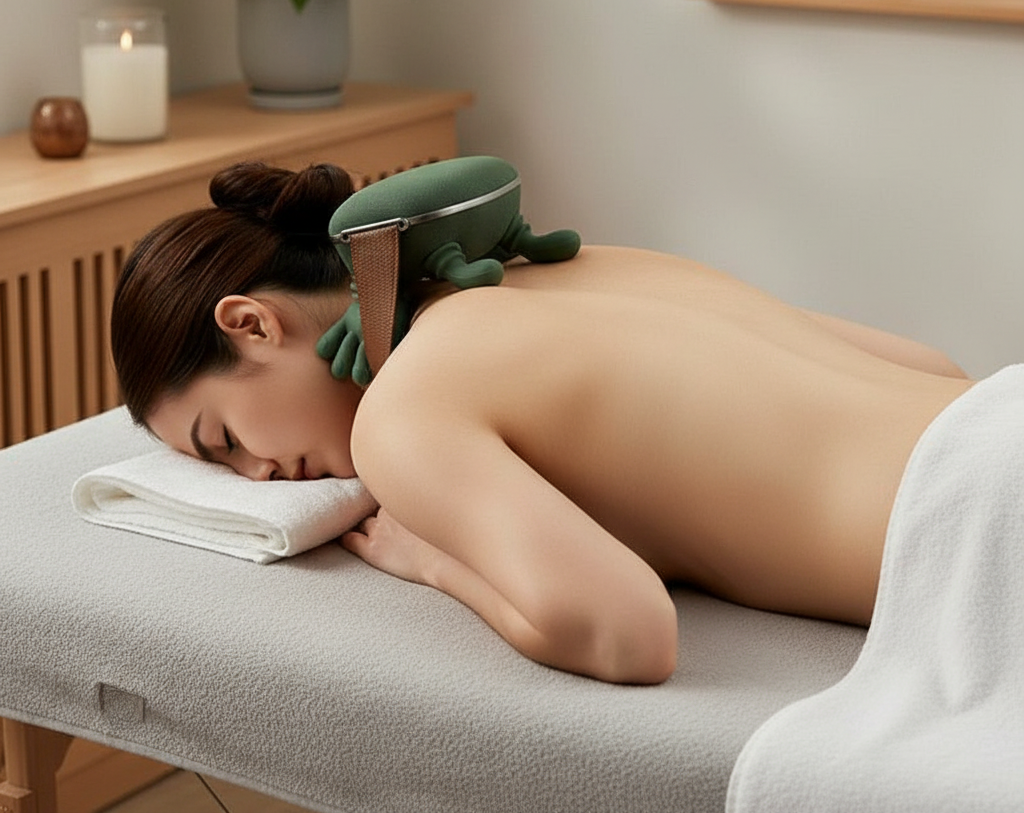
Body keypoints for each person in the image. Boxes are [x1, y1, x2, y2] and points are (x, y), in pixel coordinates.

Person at [112, 160, 973, 685]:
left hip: (982, 531)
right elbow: (932, 368)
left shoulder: (404, 411)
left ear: (251, 324)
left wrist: (431, 560)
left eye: (224, 441)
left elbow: (630, 636)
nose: (257, 475)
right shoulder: (559, 264)